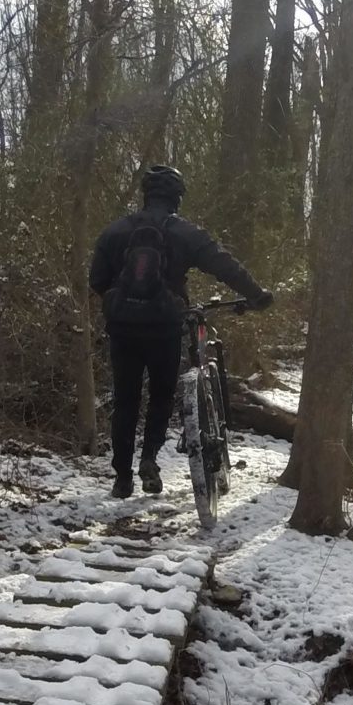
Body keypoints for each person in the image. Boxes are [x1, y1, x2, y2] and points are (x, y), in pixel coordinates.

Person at [88, 164, 272, 499]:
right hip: (165, 327)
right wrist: (256, 294)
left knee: (126, 398)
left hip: (123, 329)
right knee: (160, 395)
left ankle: (121, 477)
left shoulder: (116, 231)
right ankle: (149, 460)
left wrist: (124, 301)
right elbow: (223, 264)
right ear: (176, 198)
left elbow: (97, 280)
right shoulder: (185, 232)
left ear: (146, 195)